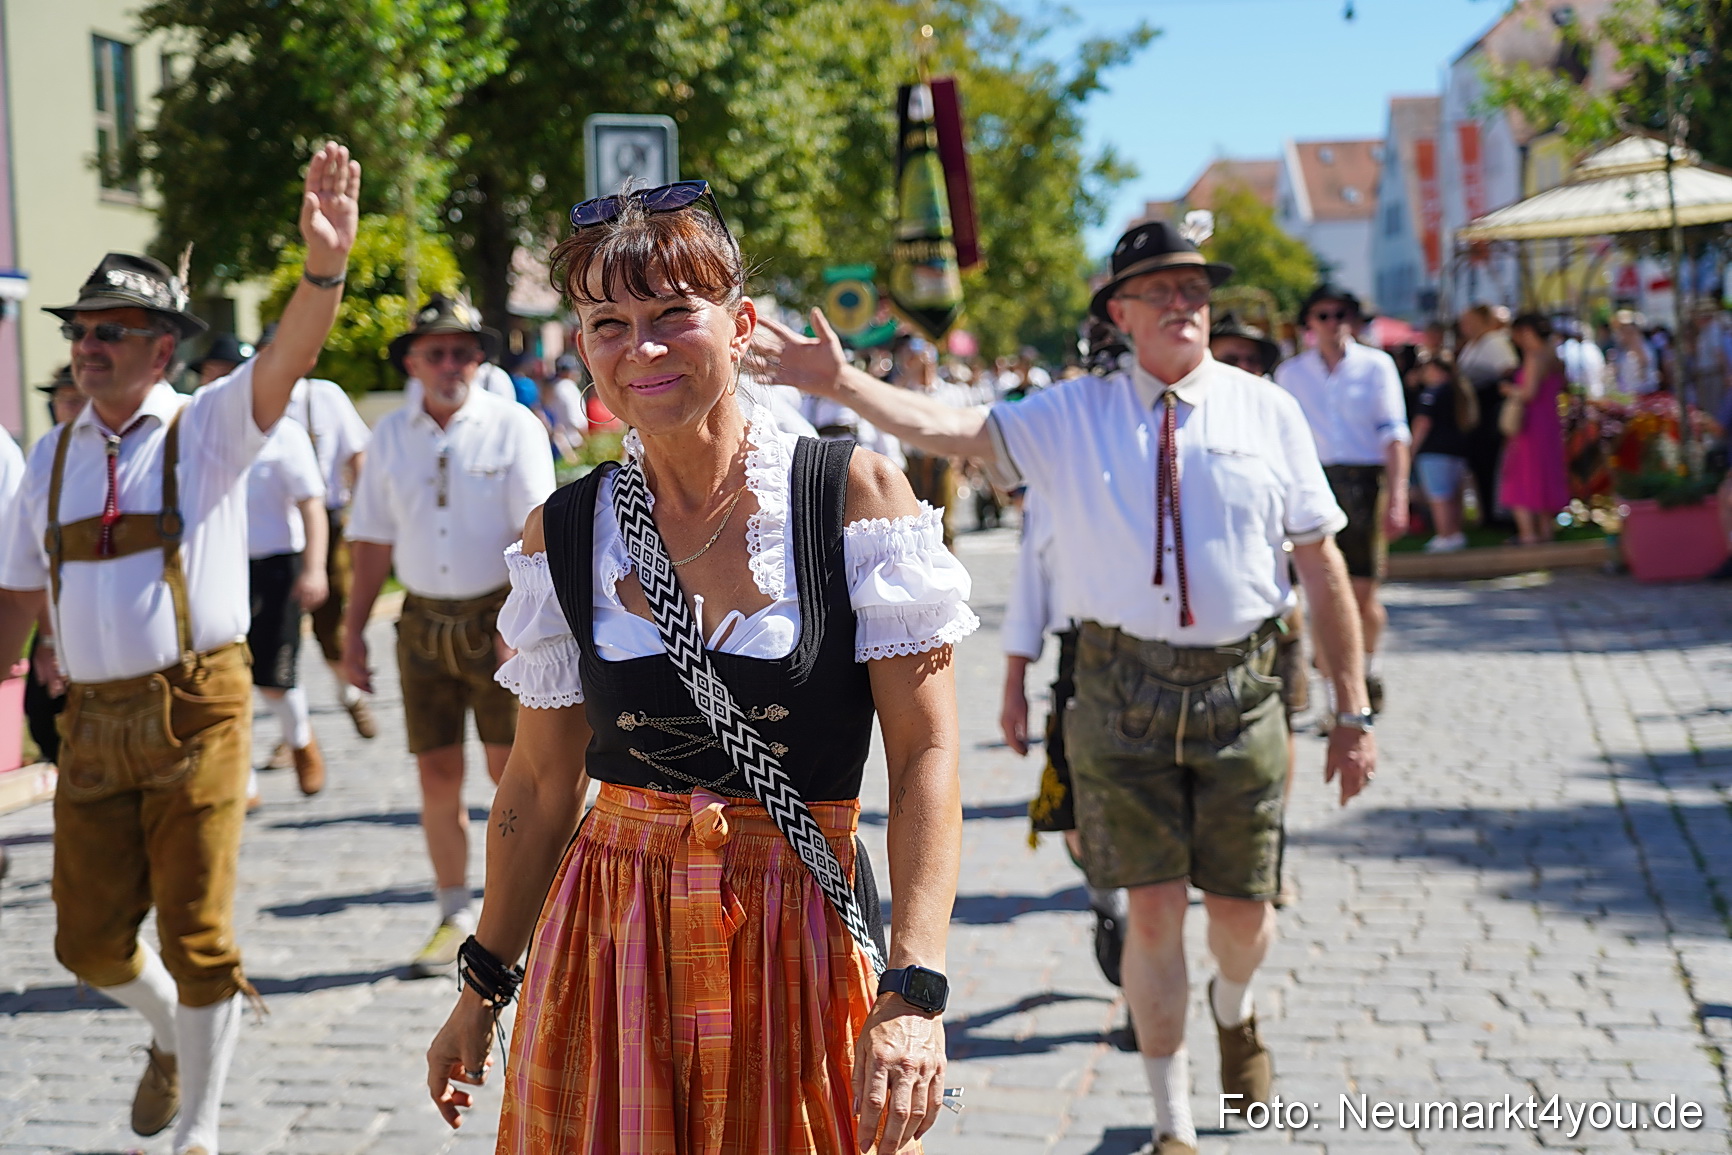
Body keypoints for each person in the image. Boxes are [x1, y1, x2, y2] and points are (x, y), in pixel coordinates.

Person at [752, 218, 1377, 1155]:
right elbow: (953, 428)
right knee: (1155, 911)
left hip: (1244, 689)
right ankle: (1173, 1124)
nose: (1184, 304)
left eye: (1196, 289)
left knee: (1245, 916)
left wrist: (1352, 707)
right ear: (1119, 312)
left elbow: (1322, 564)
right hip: (1118, 691)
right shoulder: (1073, 411)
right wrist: (839, 382)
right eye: (1161, 290)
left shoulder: (1266, 408)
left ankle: (1235, 1007)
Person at [423, 180, 970, 1152]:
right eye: (608, 322)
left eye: (675, 313)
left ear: (742, 325)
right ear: (581, 345)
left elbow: (926, 755)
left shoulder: (847, 496)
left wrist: (916, 986)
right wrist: (482, 981)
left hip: (795, 925)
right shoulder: (567, 529)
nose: (642, 348)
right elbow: (541, 785)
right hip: (609, 935)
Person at [0, 142, 360, 1155]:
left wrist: (323, 269)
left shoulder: (207, 430)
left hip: (200, 705)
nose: (89, 345)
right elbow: (22, 588)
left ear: (163, 348)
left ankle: (199, 1131)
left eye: (113, 331)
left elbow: (288, 356)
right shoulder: (53, 454)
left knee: (197, 934)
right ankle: (173, 1038)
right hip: (94, 720)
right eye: (82, 330)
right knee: (86, 944)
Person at [341, 295, 556, 978]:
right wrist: (351, 632)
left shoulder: (511, 425)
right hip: (422, 619)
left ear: (479, 358)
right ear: (412, 360)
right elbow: (371, 538)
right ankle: (454, 910)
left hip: (498, 613)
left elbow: (538, 529)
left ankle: (524, 908)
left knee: (510, 771)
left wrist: (523, 623)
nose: (450, 364)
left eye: (463, 350)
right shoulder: (390, 436)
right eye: (435, 351)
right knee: (436, 771)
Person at [1002, 488, 1128, 994]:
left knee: (1150, 818)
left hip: (1163, 654)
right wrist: (1014, 685)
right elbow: (1032, 581)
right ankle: (1108, 901)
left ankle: (1140, 937)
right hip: (1079, 657)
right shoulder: (1056, 464)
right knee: (1074, 818)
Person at [1274, 285, 1411, 718]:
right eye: (1323, 315)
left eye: (1340, 315)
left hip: (1364, 482)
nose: (1332, 323)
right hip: (1314, 479)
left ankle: (1367, 666)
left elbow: (1394, 433)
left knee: (1363, 590)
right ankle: (1336, 695)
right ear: (1309, 323)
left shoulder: (1376, 367)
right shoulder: (1291, 374)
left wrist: (1399, 494)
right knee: (1321, 591)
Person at [252, 325, 379, 741]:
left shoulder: (324, 396)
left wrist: (363, 517)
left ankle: (349, 696)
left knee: (331, 621)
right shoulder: (251, 404)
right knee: (276, 632)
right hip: (272, 532)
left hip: (326, 520)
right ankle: (294, 736)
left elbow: (358, 453)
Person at [243, 415, 329, 798]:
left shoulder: (284, 433)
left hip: (278, 564)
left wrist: (314, 568)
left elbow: (312, 504)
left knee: (275, 675)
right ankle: (242, 781)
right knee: (228, 677)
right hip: (224, 565)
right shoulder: (204, 427)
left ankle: (300, 740)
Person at [20, 366, 87, 765]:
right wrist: (48, 640)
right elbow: (35, 560)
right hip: (59, 616)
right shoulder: (45, 458)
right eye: (63, 399)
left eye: (77, 399)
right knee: (46, 720)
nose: (69, 407)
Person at [1501, 315, 1573, 545]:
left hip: (1531, 425)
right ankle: (1545, 532)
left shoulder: (1534, 356)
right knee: (1544, 473)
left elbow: (1528, 393)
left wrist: (1508, 389)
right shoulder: (1553, 355)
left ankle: (1528, 534)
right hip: (1548, 422)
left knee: (1522, 474)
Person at [1456, 304, 1520, 529]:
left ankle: (1500, 516)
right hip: (1476, 416)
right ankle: (1488, 515)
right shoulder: (1473, 344)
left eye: (1469, 320)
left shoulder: (1494, 341)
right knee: (1480, 464)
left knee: (1492, 463)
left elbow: (1508, 371)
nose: (1465, 326)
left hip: (1489, 415)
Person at [1409, 355, 1480, 553]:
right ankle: (1455, 533)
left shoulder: (1432, 392)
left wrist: (1410, 449)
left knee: (1439, 496)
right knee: (1453, 495)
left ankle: (1445, 535)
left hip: (1435, 451)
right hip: (1458, 451)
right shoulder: (1459, 392)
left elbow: (1423, 422)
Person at [1610, 310, 1661, 396]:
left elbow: (1644, 373)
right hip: (1630, 395)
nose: (1621, 333)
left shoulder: (1641, 346)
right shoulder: (1624, 349)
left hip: (1644, 395)